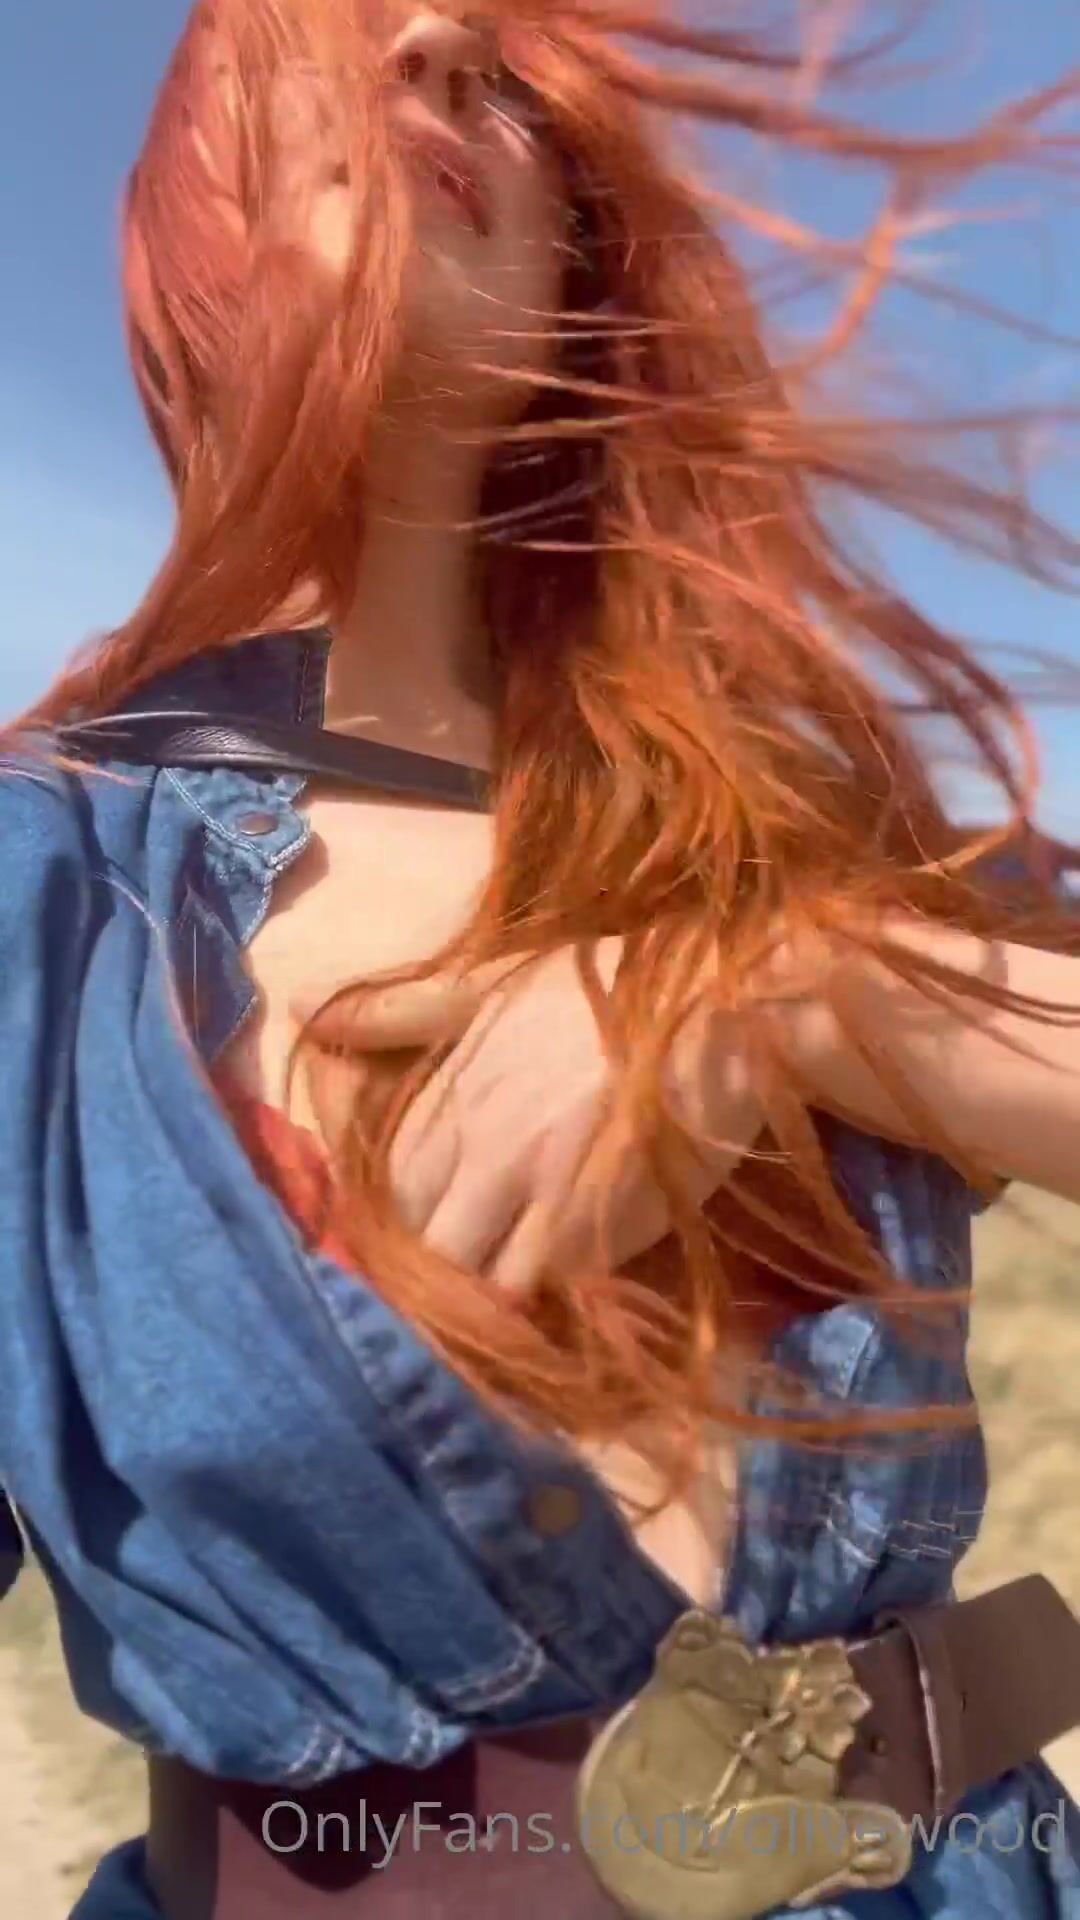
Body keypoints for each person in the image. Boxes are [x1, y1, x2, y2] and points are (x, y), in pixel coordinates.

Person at [1, 3, 1079, 1916]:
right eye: (321, 36)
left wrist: (799, 995)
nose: (432, 44)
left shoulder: (792, 829)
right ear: (187, 218)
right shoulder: (52, 884)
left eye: (504, 78)